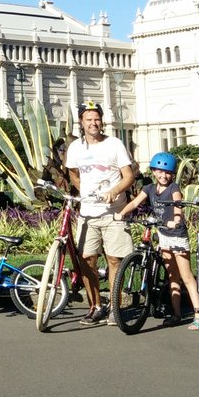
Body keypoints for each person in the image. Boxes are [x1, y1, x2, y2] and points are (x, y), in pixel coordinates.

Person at [64, 100, 135, 326]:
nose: (93, 123)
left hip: (114, 213)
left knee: (115, 259)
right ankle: (95, 306)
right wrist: (84, 190)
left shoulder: (114, 144)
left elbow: (129, 176)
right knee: (86, 260)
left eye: (97, 119)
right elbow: (73, 173)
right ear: (81, 123)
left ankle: (114, 306)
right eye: (89, 119)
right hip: (88, 214)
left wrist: (114, 191)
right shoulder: (75, 148)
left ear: (102, 121)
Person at [119, 152, 199, 329]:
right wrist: (121, 213)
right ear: (153, 172)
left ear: (172, 174)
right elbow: (135, 203)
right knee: (172, 276)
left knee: (186, 277)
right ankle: (177, 314)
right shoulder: (149, 188)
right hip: (163, 235)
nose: (163, 176)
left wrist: (176, 219)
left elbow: (178, 206)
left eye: (167, 173)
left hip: (177, 236)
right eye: (159, 172)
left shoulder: (174, 188)